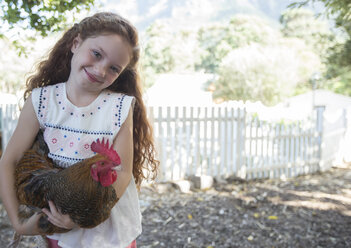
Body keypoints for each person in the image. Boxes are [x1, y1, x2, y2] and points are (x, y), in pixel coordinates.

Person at [0, 12, 159, 248]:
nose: (101, 70)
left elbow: (123, 171)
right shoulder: (43, 100)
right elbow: (9, 160)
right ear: (76, 43)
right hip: (59, 221)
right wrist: (19, 223)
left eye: (114, 68)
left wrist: (84, 215)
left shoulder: (118, 107)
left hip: (107, 227)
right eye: (96, 54)